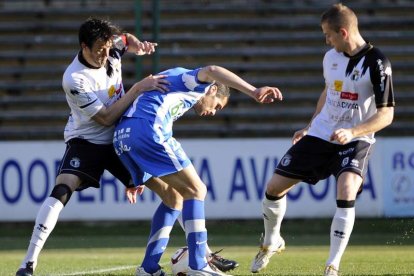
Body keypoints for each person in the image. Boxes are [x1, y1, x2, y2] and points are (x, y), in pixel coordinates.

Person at [15, 17, 170, 276]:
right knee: (63, 188)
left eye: (108, 47)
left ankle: (201, 255)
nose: (105, 53)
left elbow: (126, 39)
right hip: (88, 141)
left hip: (121, 138)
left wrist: (138, 46)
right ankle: (28, 263)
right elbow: (105, 117)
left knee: (170, 191)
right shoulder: (74, 79)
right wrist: (138, 88)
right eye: (99, 48)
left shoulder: (111, 48)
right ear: (84, 46)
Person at [250, 3, 395, 276]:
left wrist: (353, 132)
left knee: (347, 188)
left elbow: (386, 115)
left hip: (356, 137)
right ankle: (271, 240)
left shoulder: (377, 63)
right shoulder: (331, 58)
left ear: (342, 32)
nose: (326, 40)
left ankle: (332, 266)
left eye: (328, 34)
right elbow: (329, 92)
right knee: (274, 187)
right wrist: (308, 126)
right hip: (321, 133)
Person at [113, 65, 283, 276]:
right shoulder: (196, 82)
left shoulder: (172, 81)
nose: (213, 112)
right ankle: (198, 264)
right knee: (196, 190)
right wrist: (253, 91)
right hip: (148, 130)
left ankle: (148, 268)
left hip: (123, 138)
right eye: (218, 106)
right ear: (212, 90)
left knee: (173, 197)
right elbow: (212, 69)